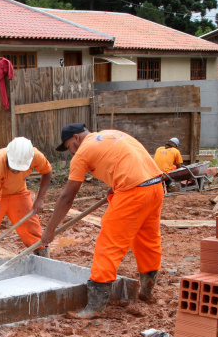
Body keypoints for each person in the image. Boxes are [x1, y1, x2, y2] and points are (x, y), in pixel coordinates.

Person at [41, 123, 165, 318]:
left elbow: (67, 196)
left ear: (76, 138)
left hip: (132, 192)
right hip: (155, 186)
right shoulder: (112, 134)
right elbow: (128, 160)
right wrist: (116, 185)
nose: (71, 153)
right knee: (147, 238)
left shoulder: (83, 152)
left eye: (69, 147)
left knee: (109, 244)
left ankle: (95, 306)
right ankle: (147, 290)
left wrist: (50, 230)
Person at [0, 137, 52, 257]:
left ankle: (42, 255)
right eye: (13, 167)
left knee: (32, 230)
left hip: (19, 193)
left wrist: (40, 199)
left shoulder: (35, 156)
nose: (15, 171)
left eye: (19, 169)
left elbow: (47, 171)